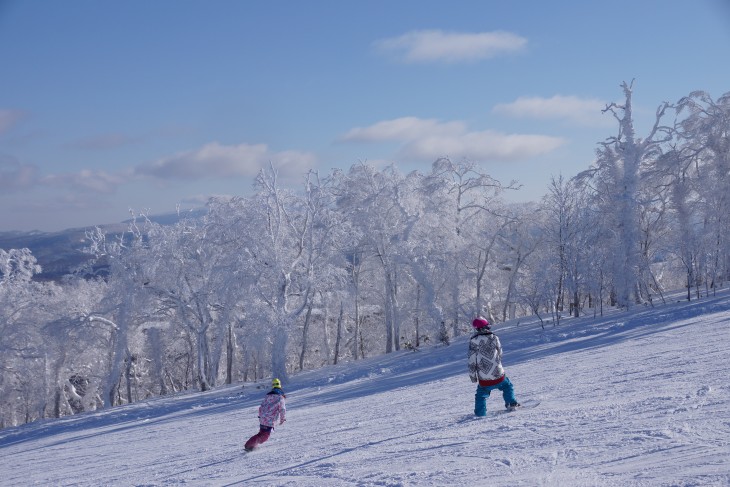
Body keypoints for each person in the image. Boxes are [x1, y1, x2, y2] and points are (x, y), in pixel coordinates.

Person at [467, 316, 520, 416]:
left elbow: (472, 360)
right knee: (507, 386)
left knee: (481, 395)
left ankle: (480, 413)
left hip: (484, 378)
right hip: (498, 375)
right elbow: (500, 352)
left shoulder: (473, 341)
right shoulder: (494, 337)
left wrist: (473, 377)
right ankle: (511, 404)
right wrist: (497, 363)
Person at [244, 378, 287, 451]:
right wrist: (282, 419)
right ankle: (249, 445)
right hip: (270, 420)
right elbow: (282, 409)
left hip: (263, 418)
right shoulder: (280, 397)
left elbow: (261, 407)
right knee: (265, 436)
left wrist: (260, 416)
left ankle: (252, 445)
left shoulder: (268, 396)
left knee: (261, 433)